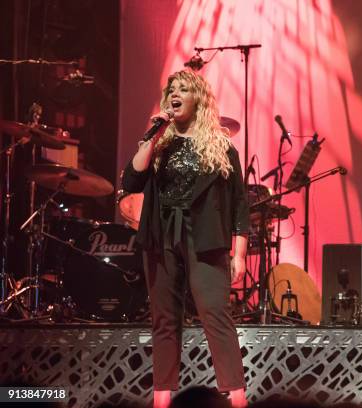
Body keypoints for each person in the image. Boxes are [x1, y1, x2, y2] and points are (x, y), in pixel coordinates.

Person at [122, 69, 248, 408]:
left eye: (184, 89)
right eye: (172, 89)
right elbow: (131, 181)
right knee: (164, 319)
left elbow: (239, 205)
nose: (175, 94)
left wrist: (239, 254)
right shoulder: (158, 143)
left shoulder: (222, 148)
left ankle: (237, 398)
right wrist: (152, 135)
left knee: (214, 313)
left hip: (204, 238)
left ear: (199, 99)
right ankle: (161, 399)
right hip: (161, 235)